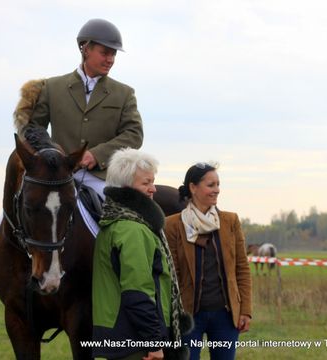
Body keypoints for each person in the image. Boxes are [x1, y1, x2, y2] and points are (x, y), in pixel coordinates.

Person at [24, 18, 143, 202]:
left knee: (119, 220)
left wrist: (96, 155)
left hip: (100, 177)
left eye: (113, 55)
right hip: (55, 176)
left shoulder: (124, 93)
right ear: (85, 49)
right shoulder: (52, 87)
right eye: (105, 53)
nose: (110, 60)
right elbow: (32, 129)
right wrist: (52, 154)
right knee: (6, 221)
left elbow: (134, 134)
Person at [92, 148, 192, 360]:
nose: (153, 189)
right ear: (126, 188)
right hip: (135, 343)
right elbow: (137, 293)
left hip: (120, 338)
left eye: (152, 182)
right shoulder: (133, 231)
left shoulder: (114, 223)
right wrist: (154, 344)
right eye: (145, 183)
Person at [164, 162, 252, 360]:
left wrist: (245, 310)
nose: (217, 190)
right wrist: (174, 315)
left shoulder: (230, 221)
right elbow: (172, 274)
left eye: (218, 185)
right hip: (189, 316)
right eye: (211, 185)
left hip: (225, 316)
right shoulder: (172, 225)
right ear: (193, 187)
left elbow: (242, 269)